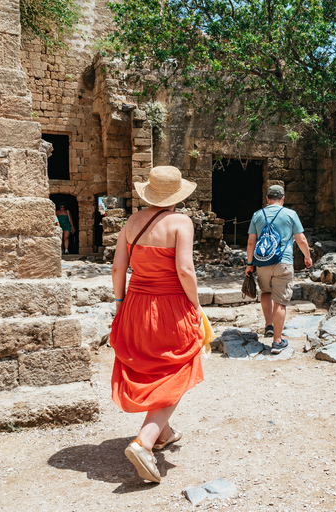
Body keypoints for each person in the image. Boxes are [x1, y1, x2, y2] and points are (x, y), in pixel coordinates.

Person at [110, 166, 205, 484]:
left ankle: (164, 433)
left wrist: (121, 302)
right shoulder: (181, 222)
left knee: (153, 368)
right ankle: (144, 442)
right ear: (177, 194)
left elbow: (117, 268)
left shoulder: (132, 222)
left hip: (136, 305)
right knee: (179, 368)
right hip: (169, 306)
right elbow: (185, 270)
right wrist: (195, 304)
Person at [246, 184, 312, 354]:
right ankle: (277, 341)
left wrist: (249, 263)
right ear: (283, 198)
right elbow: (301, 239)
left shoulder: (257, 215)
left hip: (262, 263)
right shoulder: (291, 214)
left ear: (267, 198)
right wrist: (307, 256)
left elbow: (251, 242)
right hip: (284, 262)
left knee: (266, 293)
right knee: (280, 301)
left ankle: (269, 325)